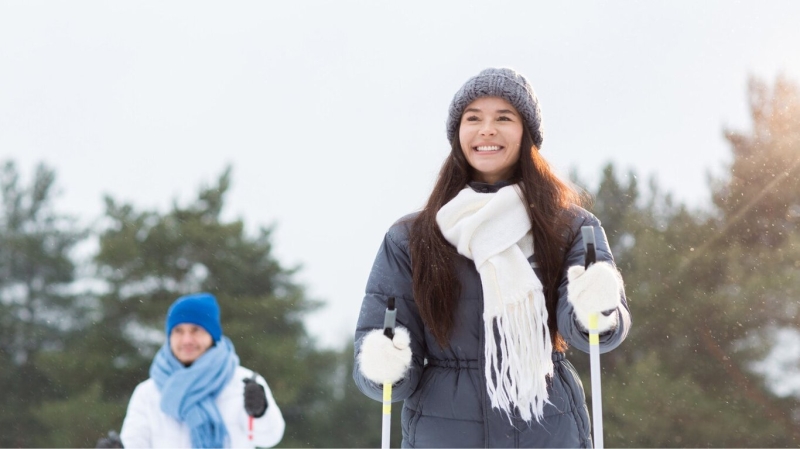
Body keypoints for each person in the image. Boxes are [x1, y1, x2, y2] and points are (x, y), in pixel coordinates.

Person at [353, 67, 631, 448]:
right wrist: (384, 364)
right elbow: (387, 358)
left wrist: (595, 307)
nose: (487, 130)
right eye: (474, 119)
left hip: (545, 426)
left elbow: (596, 334)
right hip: (445, 431)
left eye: (504, 118)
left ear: (526, 133)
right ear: (458, 134)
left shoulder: (569, 227)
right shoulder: (413, 238)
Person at [120, 292, 285, 448]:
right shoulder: (148, 392)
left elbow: (269, 438)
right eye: (178, 331)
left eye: (195, 330)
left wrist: (260, 412)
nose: (187, 340)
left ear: (212, 335)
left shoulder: (244, 383)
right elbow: (134, 444)